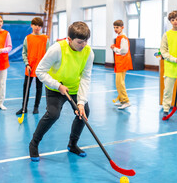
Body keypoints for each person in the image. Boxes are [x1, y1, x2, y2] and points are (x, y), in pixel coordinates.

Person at [28, 21, 94, 162]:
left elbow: (86, 77)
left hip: (75, 88)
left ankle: (72, 144)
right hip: (55, 87)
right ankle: (34, 143)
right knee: (53, 114)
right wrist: (57, 85)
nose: (83, 45)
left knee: (84, 113)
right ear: (69, 39)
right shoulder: (56, 49)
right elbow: (40, 71)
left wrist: (81, 102)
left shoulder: (88, 52)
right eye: (80, 42)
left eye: (86, 41)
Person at [16, 17, 49, 115]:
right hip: (29, 67)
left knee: (39, 88)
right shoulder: (28, 38)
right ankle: (24, 107)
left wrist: (44, 66)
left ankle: (36, 107)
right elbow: (24, 53)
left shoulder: (45, 38)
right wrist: (27, 64)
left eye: (39, 26)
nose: (37, 27)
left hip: (40, 69)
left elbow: (48, 54)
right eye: (35, 25)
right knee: (26, 87)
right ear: (31, 25)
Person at [110, 20, 133, 110]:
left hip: (123, 62)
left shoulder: (123, 38)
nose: (115, 29)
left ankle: (126, 101)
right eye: (114, 27)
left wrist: (114, 48)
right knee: (118, 82)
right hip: (119, 62)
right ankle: (122, 100)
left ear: (122, 27)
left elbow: (124, 51)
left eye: (117, 27)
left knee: (120, 82)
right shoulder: (119, 37)